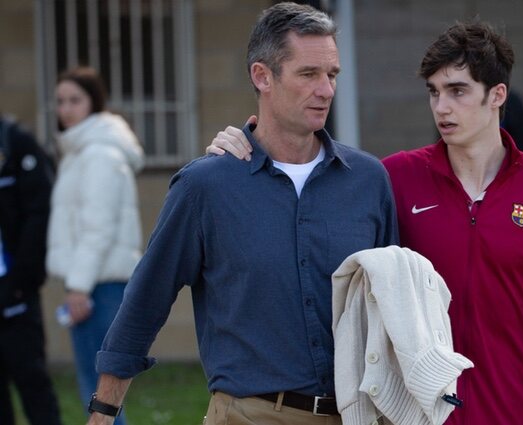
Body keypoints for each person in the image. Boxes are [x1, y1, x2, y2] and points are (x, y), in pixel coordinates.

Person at [211, 20, 523, 425]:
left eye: (457, 91)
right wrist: (248, 144)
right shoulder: (394, 179)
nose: (441, 107)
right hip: (421, 416)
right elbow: (303, 191)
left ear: (497, 95)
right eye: (434, 92)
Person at [87, 3, 397, 425]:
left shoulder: (368, 181)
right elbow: (146, 299)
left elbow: (395, 305)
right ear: (262, 76)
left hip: (358, 414)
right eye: (309, 74)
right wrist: (104, 411)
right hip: (249, 415)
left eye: (332, 75)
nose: (326, 90)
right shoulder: (208, 186)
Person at [47, 66, 144, 425]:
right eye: (60, 101)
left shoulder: (99, 153)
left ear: (94, 103)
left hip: (98, 287)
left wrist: (78, 287)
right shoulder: (82, 150)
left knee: (101, 395)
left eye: (75, 100)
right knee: (99, 392)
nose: (66, 108)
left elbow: (98, 228)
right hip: (93, 284)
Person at [0, 116, 62, 424]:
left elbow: (40, 214)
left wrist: (22, 279)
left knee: (34, 386)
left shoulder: (15, 142)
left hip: (15, 294)